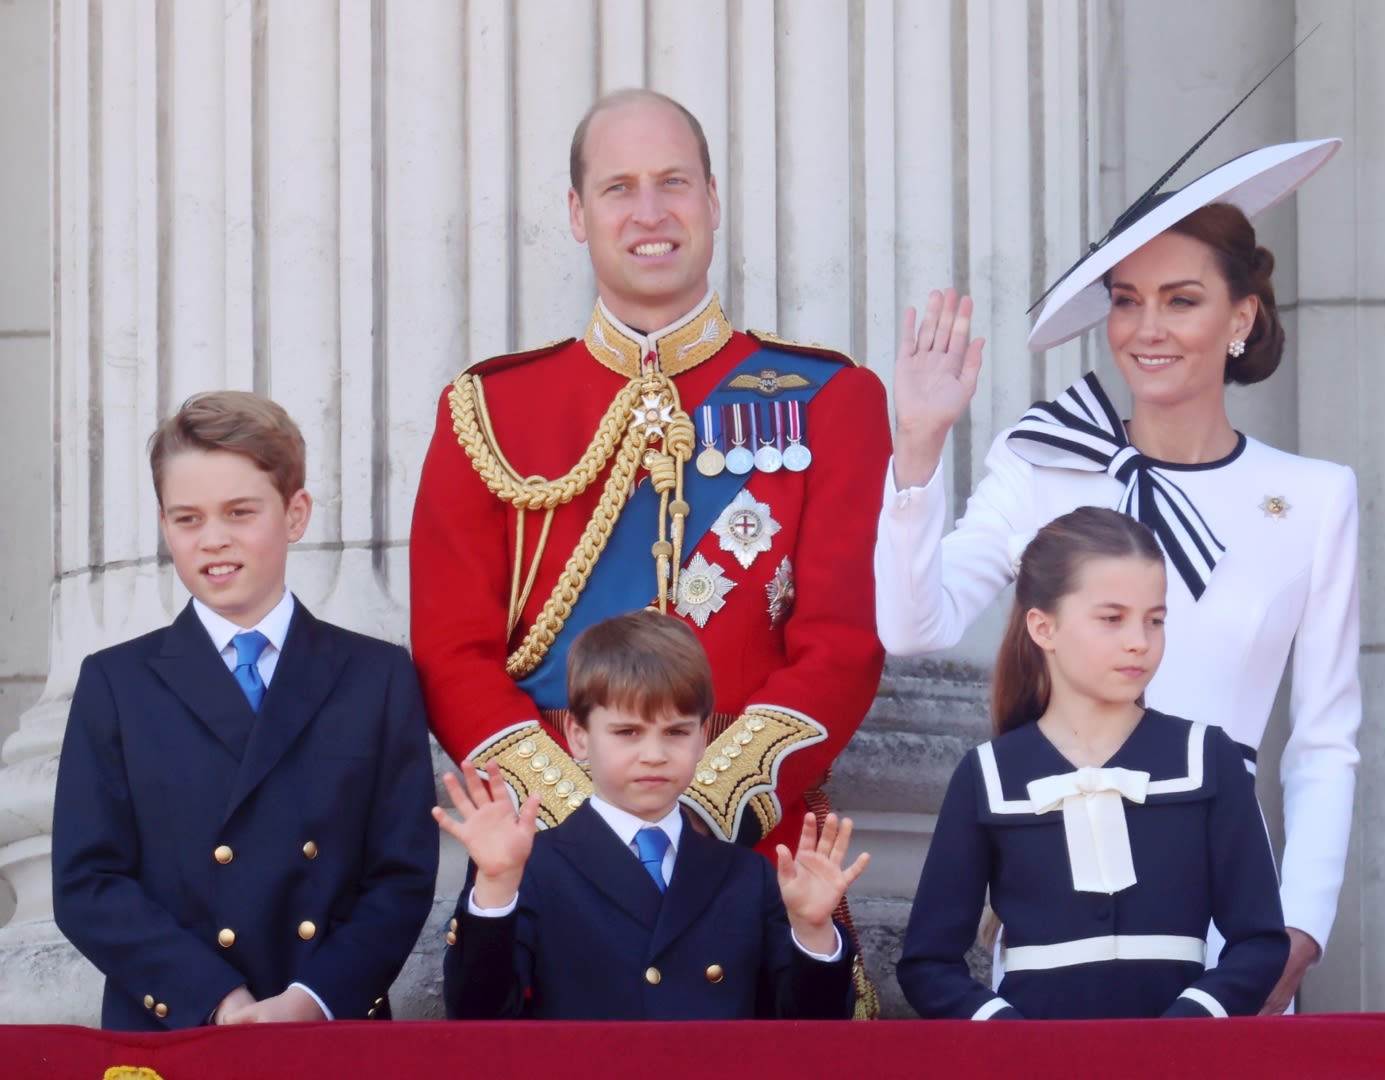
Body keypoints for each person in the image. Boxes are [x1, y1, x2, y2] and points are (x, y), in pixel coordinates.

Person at [409, 87, 890, 1009]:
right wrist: (582, 817)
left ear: (712, 199)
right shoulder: (488, 412)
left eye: (673, 182)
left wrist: (700, 801)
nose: (650, 211)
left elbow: (841, 644)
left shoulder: (830, 398)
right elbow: (450, 650)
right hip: (554, 874)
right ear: (578, 214)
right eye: (619, 187)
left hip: (756, 872)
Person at [875, 139, 1358, 1013]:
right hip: (1057, 904)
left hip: (1230, 916)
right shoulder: (1044, 461)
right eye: (1127, 301)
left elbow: (1324, 739)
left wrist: (1298, 931)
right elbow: (914, 626)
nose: (1147, 329)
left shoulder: (1316, 498)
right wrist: (917, 451)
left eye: (1182, 300)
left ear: (1241, 317)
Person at [51, 392, 439, 1030]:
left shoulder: (377, 676)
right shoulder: (115, 683)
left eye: (239, 512)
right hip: (179, 1028)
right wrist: (214, 999)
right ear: (164, 525)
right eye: (187, 519)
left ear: (295, 513)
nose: (213, 541)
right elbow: (88, 882)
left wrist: (312, 1000)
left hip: (329, 1028)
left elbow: (401, 873)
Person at [898, 507, 1289, 1019]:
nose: (1139, 641)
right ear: (1043, 628)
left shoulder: (1207, 757)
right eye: (1112, 618)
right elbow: (929, 963)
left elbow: (1260, 940)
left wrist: (1190, 1026)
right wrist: (1010, 1037)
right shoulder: (988, 775)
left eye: (1155, 619)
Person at [436, 610, 867, 1020]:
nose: (654, 756)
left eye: (676, 733)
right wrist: (492, 891)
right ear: (579, 736)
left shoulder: (748, 876)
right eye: (628, 733)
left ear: (702, 739)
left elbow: (809, 1031)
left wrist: (812, 932)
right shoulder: (532, 866)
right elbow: (479, 1016)